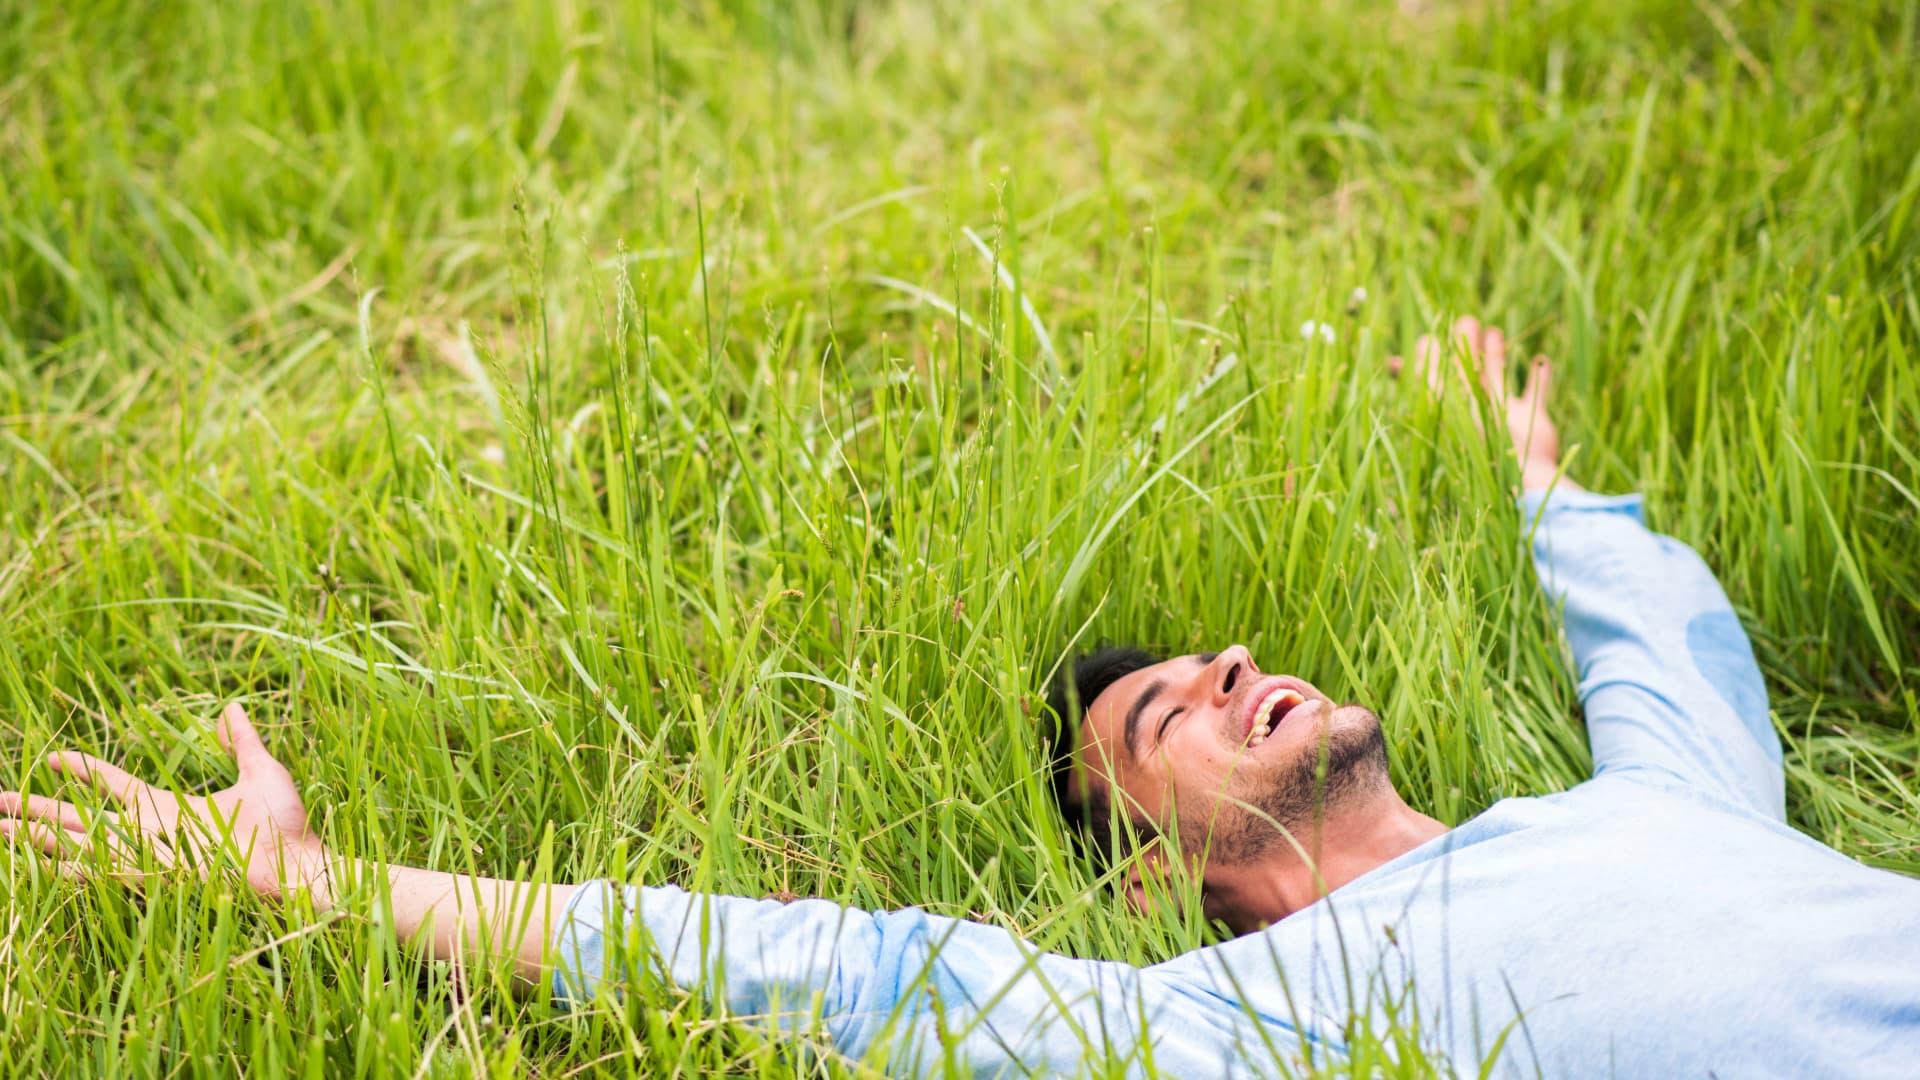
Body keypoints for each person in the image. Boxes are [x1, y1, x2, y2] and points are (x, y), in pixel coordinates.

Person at [5, 318, 1916, 1077]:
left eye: (1213, 661)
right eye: (1165, 713)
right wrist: (329, 890)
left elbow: (1658, 641)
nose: (1232, 664)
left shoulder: (1663, 809)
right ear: (1165, 884)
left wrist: (1527, 459)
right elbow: (799, 961)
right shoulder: (1233, 1023)